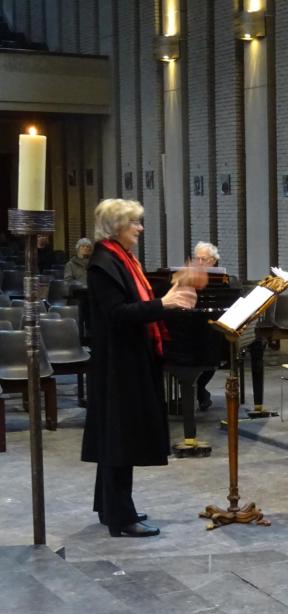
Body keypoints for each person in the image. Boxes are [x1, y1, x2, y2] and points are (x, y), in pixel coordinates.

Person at [82, 198, 197, 537]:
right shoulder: (103, 263)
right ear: (117, 226)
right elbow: (118, 314)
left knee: (116, 435)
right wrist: (165, 303)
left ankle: (109, 507)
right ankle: (121, 517)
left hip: (127, 358)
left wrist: (170, 290)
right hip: (119, 364)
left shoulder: (121, 259)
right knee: (120, 437)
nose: (140, 228)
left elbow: (137, 300)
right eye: (135, 222)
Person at [190, 241, 222, 410]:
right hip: (189, 325)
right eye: (198, 259)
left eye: (204, 259)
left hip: (211, 327)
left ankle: (200, 388)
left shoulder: (222, 280)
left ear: (214, 261)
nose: (200, 263)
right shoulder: (188, 278)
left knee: (212, 357)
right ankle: (193, 390)